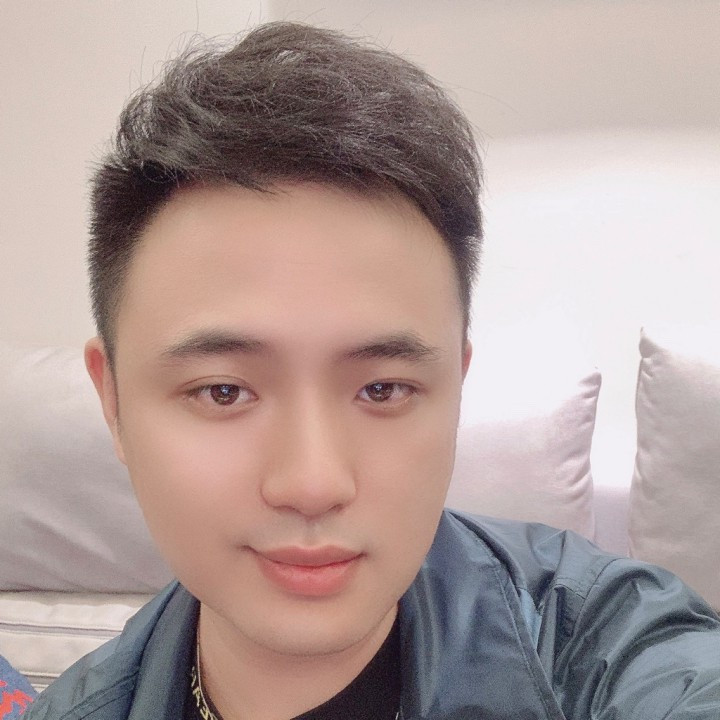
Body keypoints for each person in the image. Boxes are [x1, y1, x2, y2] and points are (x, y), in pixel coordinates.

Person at [25, 21, 720, 720]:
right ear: (113, 402)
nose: (313, 484)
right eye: (224, 391)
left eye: (382, 388)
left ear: (456, 387)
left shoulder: (606, 649)